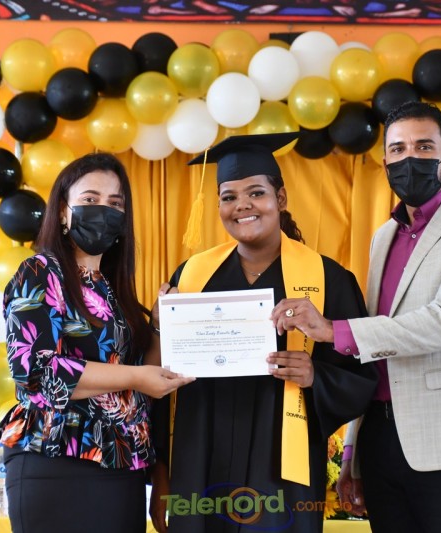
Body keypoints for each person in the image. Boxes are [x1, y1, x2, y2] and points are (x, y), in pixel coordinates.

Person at [270, 102, 441, 532]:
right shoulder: (384, 236)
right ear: (385, 163)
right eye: (398, 149)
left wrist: (330, 329)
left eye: (424, 147)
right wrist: (354, 451)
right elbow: (376, 353)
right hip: (381, 445)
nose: (410, 158)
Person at [150, 132, 378, 533]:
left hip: (281, 469)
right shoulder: (191, 278)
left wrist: (315, 375)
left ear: (281, 198)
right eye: (228, 197)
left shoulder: (328, 279)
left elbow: (361, 377)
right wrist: (159, 325)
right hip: (201, 459)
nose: (242, 205)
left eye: (256, 193)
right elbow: (161, 380)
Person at [0, 153, 194, 533]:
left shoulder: (112, 289)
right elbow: (37, 373)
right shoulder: (41, 271)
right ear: (63, 211)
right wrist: (135, 378)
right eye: (90, 199)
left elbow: (143, 376)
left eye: (115, 203)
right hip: (58, 456)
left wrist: (159, 325)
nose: (103, 211)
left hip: (123, 461)